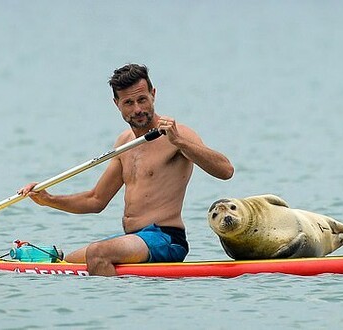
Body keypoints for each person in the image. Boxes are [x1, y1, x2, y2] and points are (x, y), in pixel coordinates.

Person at [18, 64, 234, 276]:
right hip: (134, 239)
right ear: (117, 104)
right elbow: (95, 200)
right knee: (65, 262)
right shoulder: (124, 143)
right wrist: (48, 199)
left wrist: (179, 142)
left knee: (97, 253)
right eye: (128, 102)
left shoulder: (177, 135)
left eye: (142, 99)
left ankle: (114, 310)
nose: (138, 109)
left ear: (153, 94)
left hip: (165, 239)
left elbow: (226, 171)